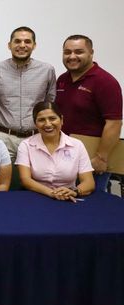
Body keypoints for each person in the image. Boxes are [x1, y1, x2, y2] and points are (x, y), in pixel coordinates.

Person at [54, 34, 122, 193]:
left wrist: (101, 157)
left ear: (91, 53)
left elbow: (114, 123)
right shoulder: (62, 80)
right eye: (67, 52)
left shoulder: (105, 81)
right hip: (64, 156)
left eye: (78, 52)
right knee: (63, 200)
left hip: (92, 158)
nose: (72, 56)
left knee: (91, 203)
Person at [0, 26, 56, 166]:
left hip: (36, 137)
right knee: (1, 180)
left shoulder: (47, 70)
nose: (22, 45)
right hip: (3, 138)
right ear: (9, 45)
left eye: (27, 42)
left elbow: (50, 102)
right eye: (17, 41)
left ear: (34, 45)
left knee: (35, 180)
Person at [16, 101, 95, 201]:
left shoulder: (77, 145)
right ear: (35, 124)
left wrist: (75, 191)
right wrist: (52, 193)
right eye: (41, 120)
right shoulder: (26, 145)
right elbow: (25, 180)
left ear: (61, 120)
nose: (48, 124)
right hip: (35, 198)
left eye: (52, 118)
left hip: (68, 198)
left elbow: (89, 182)